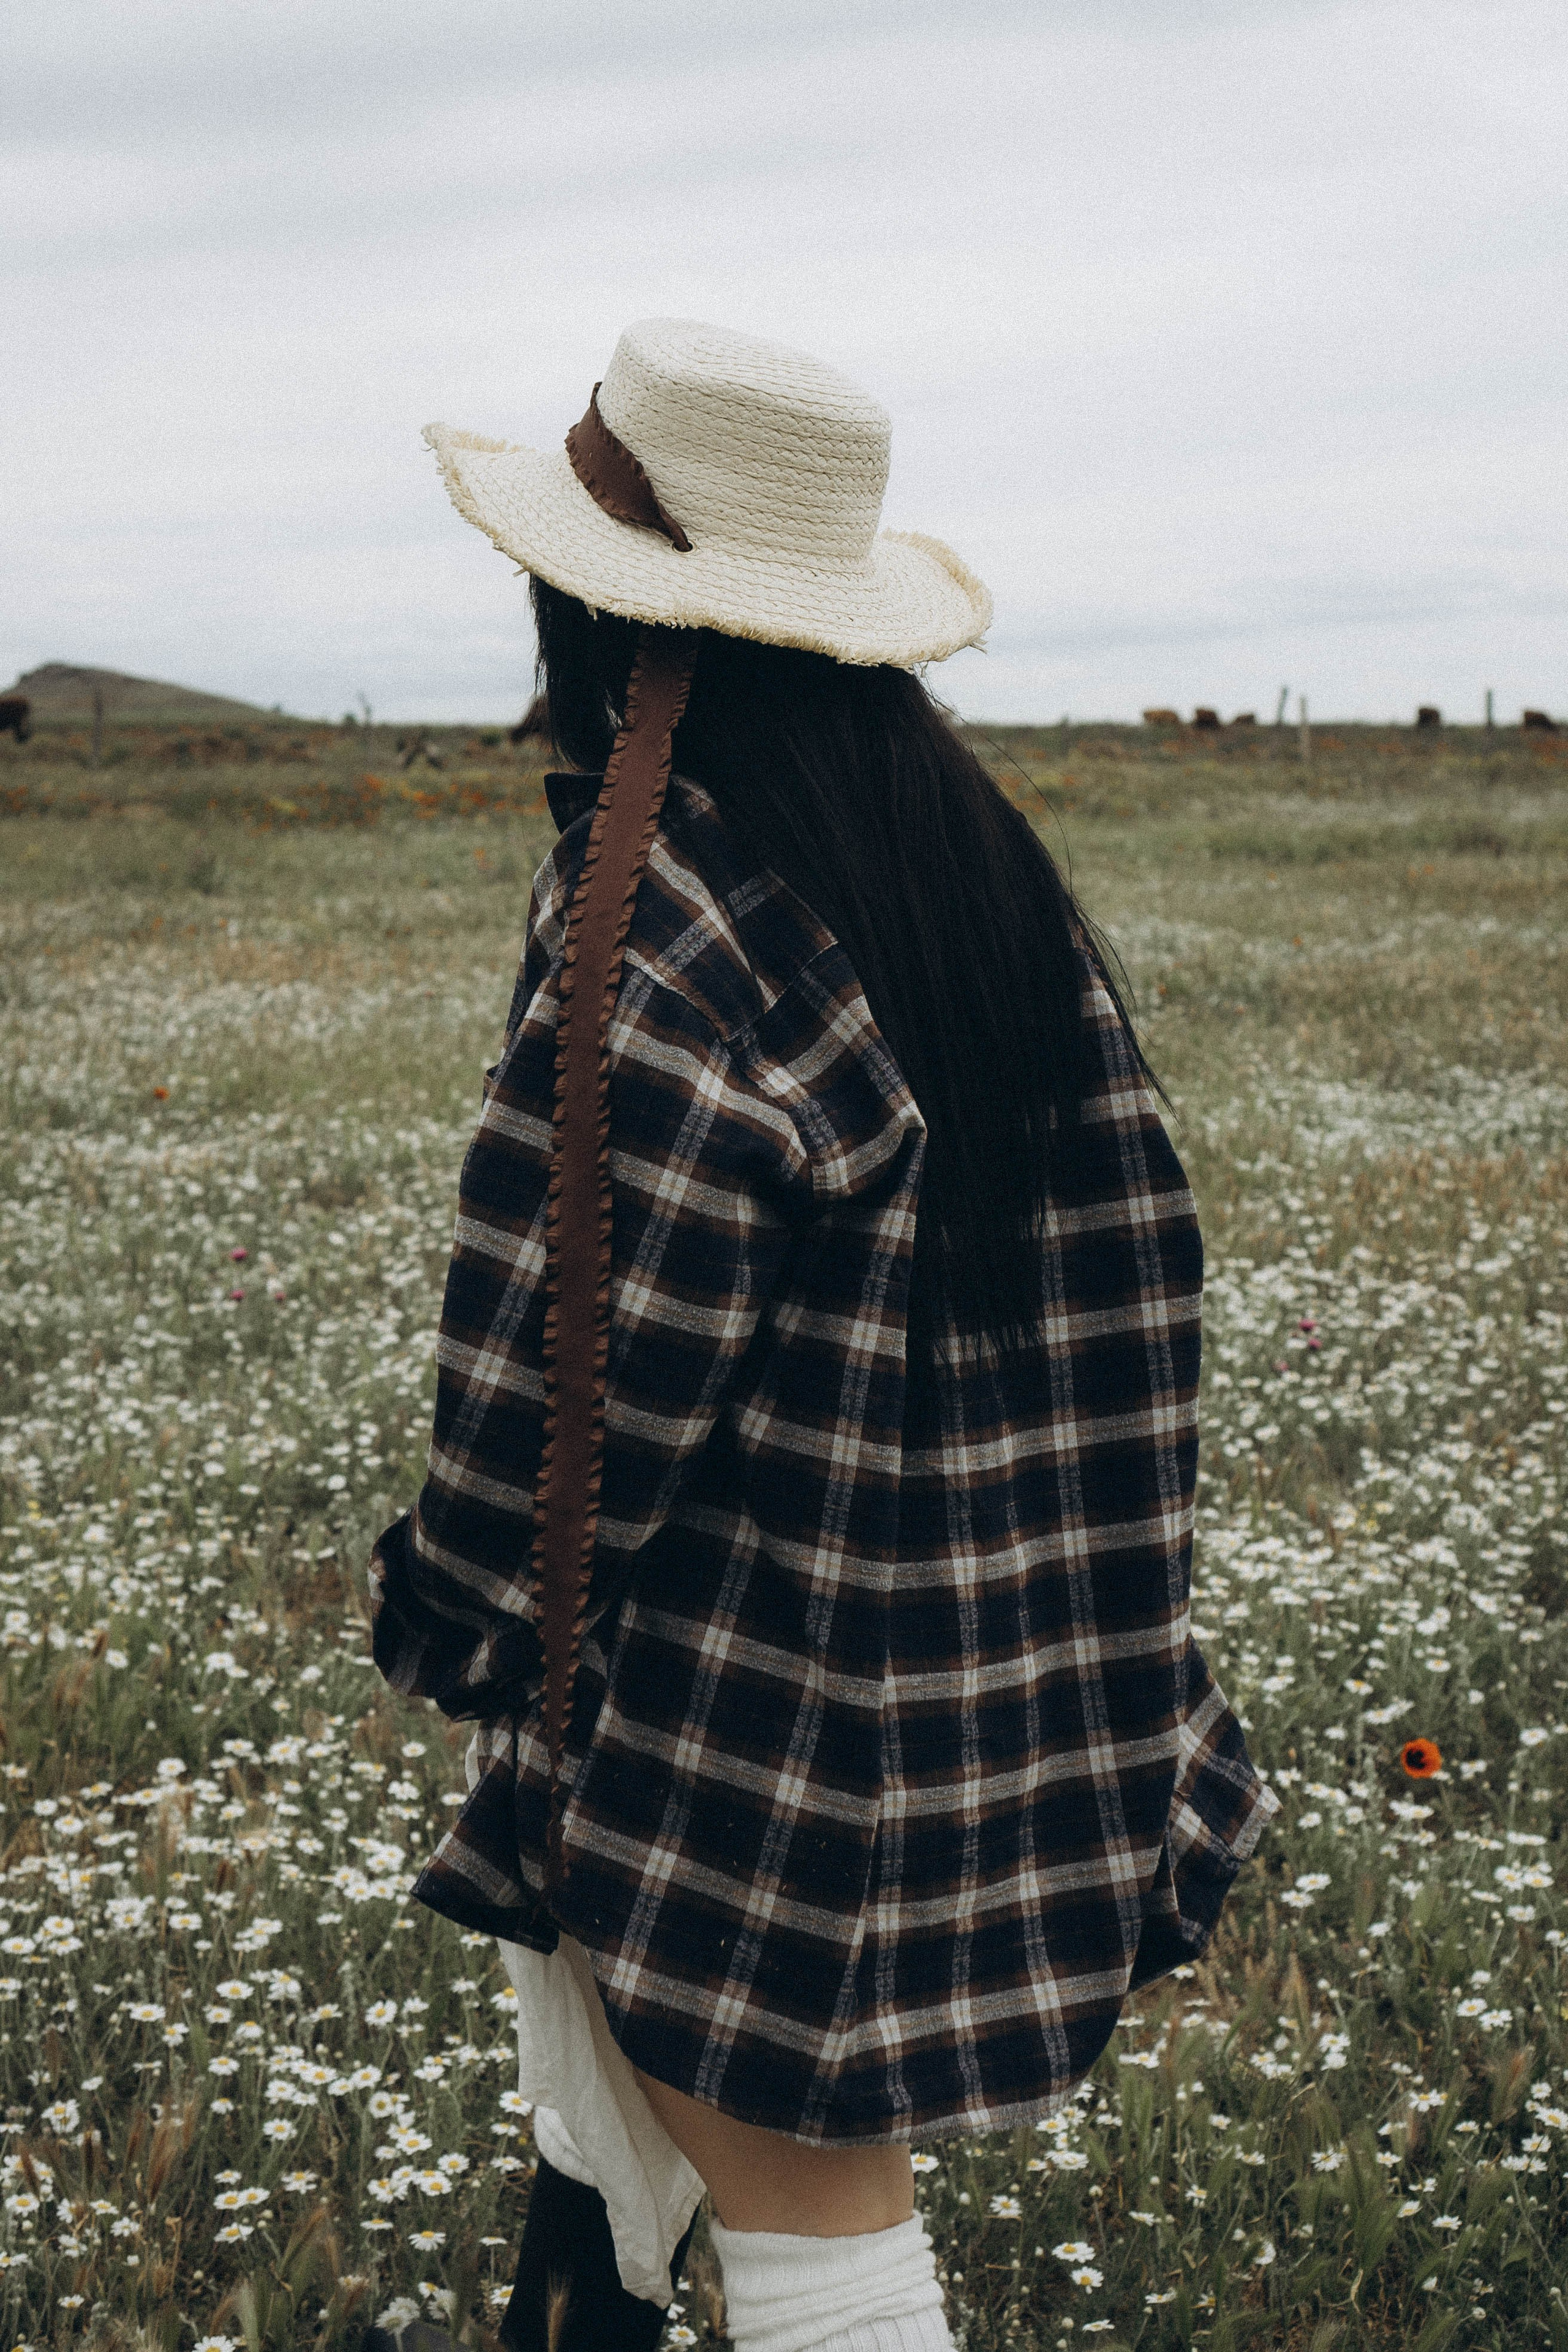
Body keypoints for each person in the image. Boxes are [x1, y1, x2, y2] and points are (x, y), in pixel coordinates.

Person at [367, 318, 1277, 2352]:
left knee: (821, 2247)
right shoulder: (967, 869)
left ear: (590, 598)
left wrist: (454, 1610)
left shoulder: (667, 904)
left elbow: (574, 1363)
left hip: (774, 1732)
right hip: (1016, 1677)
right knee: (673, 2094)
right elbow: (1145, 1305)